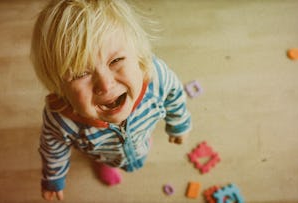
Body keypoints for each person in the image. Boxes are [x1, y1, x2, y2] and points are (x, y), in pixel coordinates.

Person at [30, 0, 192, 201]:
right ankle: (105, 163)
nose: (105, 85)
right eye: (81, 73)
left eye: (116, 61)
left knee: (139, 139)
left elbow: (174, 95)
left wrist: (179, 124)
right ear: (59, 87)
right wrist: (53, 177)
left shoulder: (157, 77)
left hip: (142, 131)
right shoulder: (60, 119)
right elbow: (52, 147)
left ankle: (137, 140)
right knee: (106, 156)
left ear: (139, 56)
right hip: (103, 153)